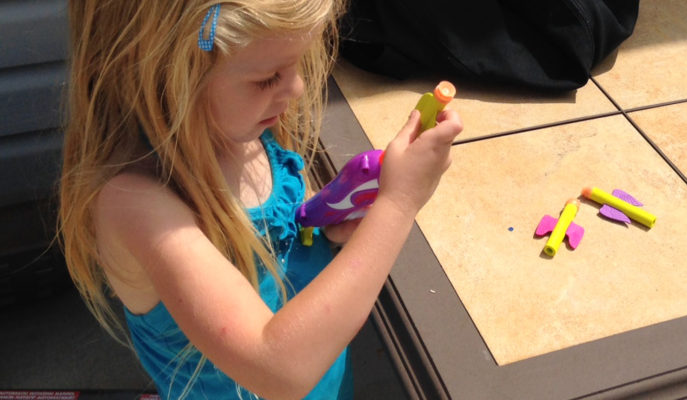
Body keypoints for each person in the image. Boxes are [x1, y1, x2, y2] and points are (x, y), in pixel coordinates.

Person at [58, 1, 463, 399]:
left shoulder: (245, 133)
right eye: (268, 78)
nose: (297, 88)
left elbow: (282, 240)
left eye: (297, 65)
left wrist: (324, 230)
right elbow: (278, 370)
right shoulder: (137, 206)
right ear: (168, 74)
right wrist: (398, 203)